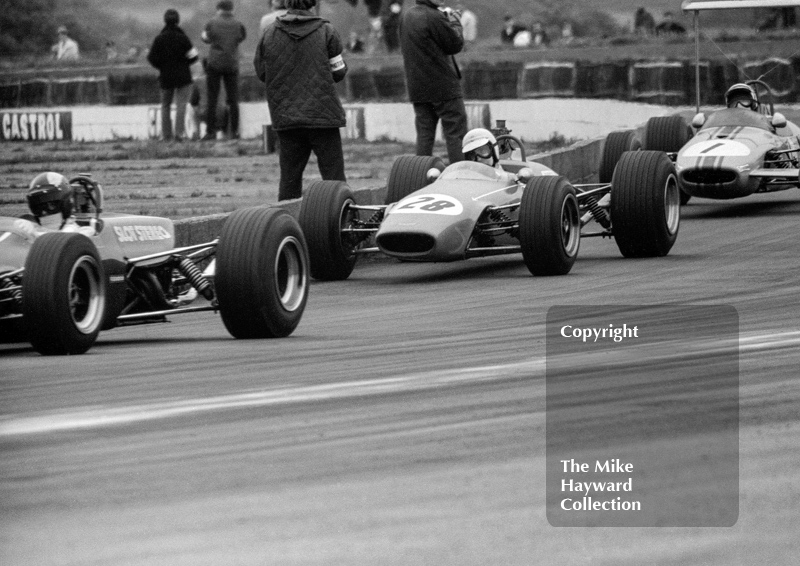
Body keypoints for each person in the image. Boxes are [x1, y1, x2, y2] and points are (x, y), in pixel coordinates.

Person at [254, 0, 348, 201]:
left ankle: (287, 224)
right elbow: (339, 72)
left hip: (286, 116)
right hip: (322, 115)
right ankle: (343, 222)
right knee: (334, 178)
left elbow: (262, 72)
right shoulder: (326, 31)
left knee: (289, 180)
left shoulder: (269, 33)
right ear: (312, 4)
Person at [400, 0, 468, 164]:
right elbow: (455, 44)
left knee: (424, 135)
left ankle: (420, 177)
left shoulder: (406, 16)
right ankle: (461, 177)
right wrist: (454, 22)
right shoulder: (435, 17)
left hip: (418, 87)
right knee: (455, 133)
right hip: (443, 87)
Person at [147, 9, 199, 142]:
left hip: (166, 76)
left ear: (165, 20)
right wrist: (185, 63)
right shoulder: (183, 38)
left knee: (165, 105)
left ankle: (166, 135)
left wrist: (162, 66)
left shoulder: (159, 39)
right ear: (178, 21)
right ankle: (179, 134)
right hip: (183, 76)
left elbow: (151, 58)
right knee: (181, 105)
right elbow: (194, 56)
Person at [202, 0, 247, 140]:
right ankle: (234, 131)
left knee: (212, 99)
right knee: (233, 99)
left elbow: (205, 38)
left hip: (214, 64)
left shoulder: (211, 22)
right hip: (232, 64)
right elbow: (241, 37)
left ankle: (210, 131)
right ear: (231, 9)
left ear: (218, 9)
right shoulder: (238, 24)